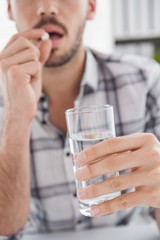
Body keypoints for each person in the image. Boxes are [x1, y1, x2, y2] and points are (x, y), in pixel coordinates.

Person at [0, 0, 160, 238]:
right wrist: (16, 116)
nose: (47, 8)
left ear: (91, 7)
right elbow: (5, 228)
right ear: (10, 9)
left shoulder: (147, 81)